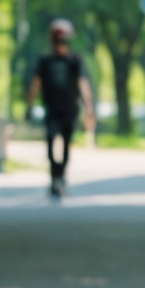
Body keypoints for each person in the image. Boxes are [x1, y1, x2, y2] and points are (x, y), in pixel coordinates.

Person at [27, 19, 96, 198]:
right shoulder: (45, 61)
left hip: (70, 109)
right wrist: (30, 104)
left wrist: (89, 108)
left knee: (65, 145)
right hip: (52, 109)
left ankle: (61, 175)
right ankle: (54, 176)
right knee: (50, 144)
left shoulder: (74, 61)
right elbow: (36, 83)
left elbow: (83, 84)